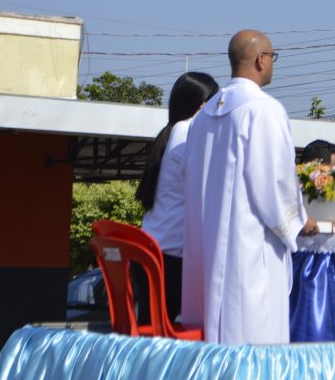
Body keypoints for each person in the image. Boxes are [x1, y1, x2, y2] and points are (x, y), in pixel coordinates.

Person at [181, 29, 318, 345]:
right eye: (272, 56)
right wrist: (299, 221)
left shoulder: (202, 117)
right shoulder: (263, 110)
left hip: (206, 245)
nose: (272, 63)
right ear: (261, 59)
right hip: (249, 249)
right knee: (254, 342)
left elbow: (188, 176)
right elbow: (274, 183)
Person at [135, 71, 218, 323]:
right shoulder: (188, 131)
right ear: (203, 105)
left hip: (153, 248)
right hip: (171, 256)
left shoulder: (170, 132)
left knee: (151, 331)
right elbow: (206, 187)